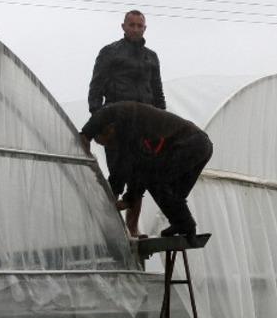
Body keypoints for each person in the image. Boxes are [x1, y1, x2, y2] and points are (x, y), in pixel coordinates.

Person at [79, 102, 212, 238]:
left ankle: (185, 224)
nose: (109, 146)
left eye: (105, 142)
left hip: (193, 144)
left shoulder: (125, 119)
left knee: (156, 181)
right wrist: (128, 199)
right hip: (202, 146)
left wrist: (86, 133)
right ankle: (183, 225)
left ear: (110, 129)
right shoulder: (136, 134)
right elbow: (139, 172)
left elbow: (121, 167)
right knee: (172, 191)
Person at [87, 10, 166, 115]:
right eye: (132, 25)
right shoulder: (109, 52)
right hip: (116, 115)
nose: (135, 29)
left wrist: (162, 120)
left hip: (146, 117)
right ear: (123, 26)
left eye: (139, 26)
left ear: (144, 28)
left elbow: (158, 92)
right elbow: (96, 88)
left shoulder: (152, 56)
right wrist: (98, 116)